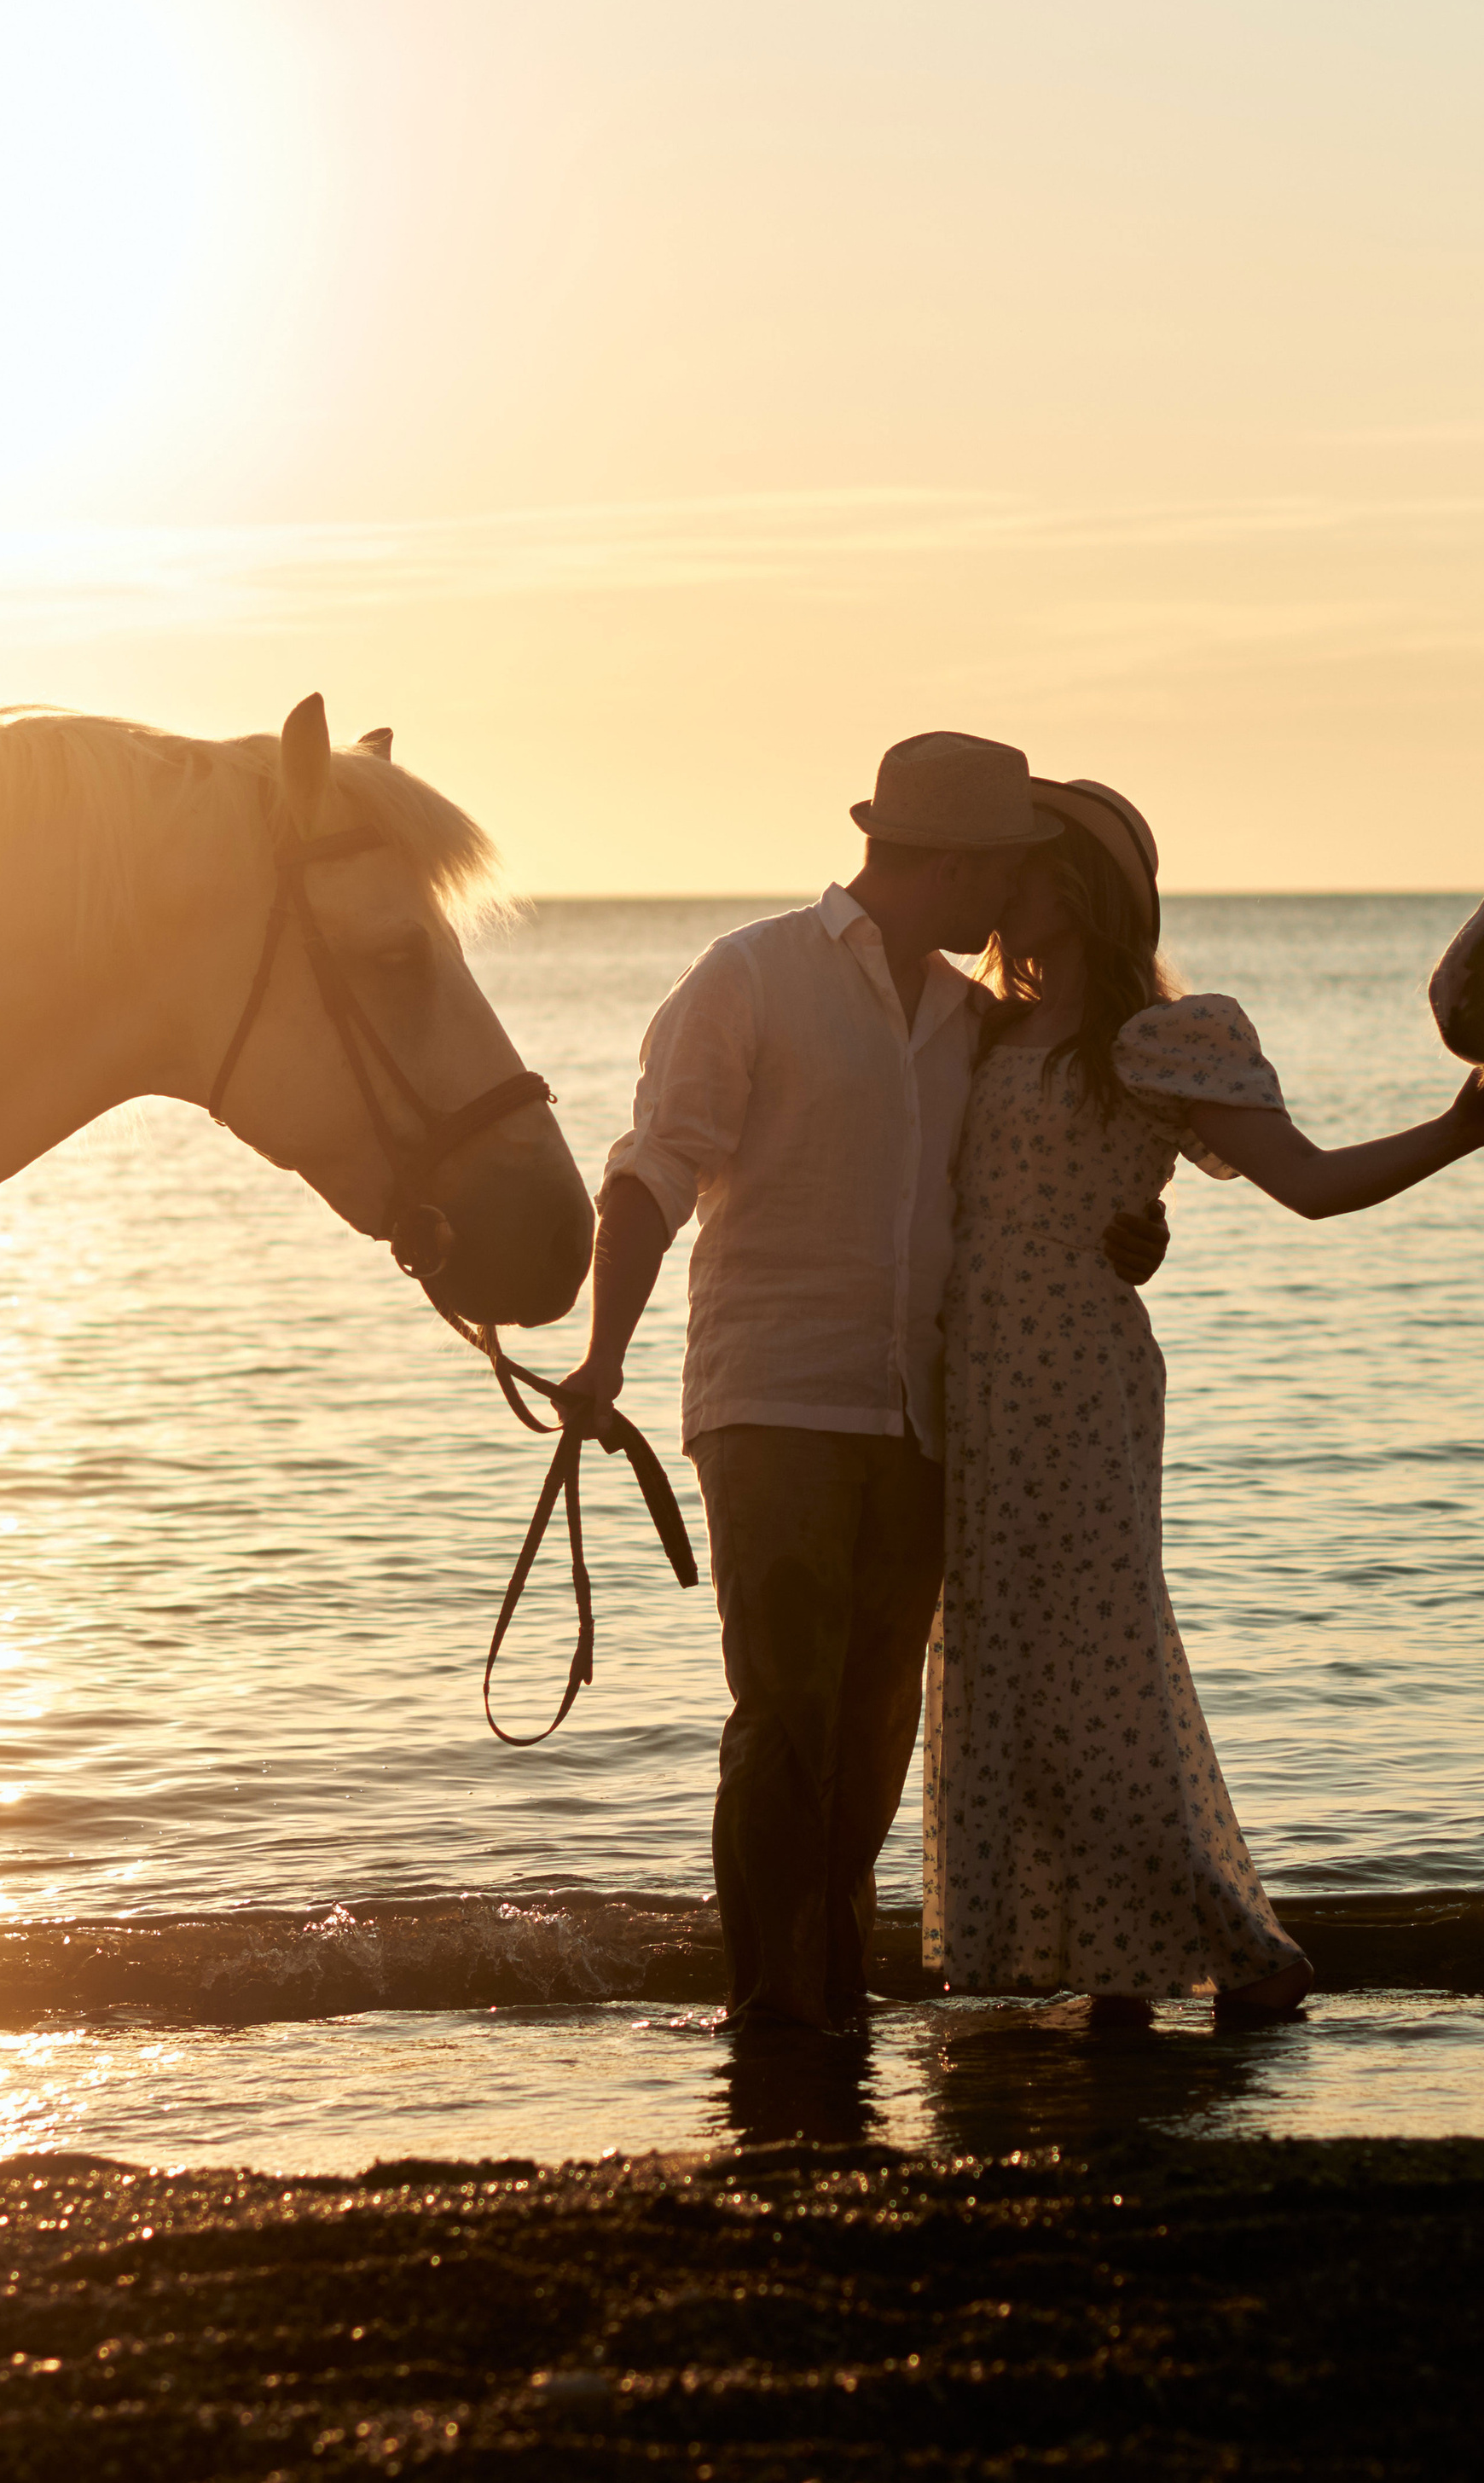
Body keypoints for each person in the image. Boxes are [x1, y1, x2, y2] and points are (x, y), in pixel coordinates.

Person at [561, 733, 1168, 2033]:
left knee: (879, 1719)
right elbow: (653, 1169)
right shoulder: (751, 977)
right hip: (775, 1396)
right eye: (999, 867)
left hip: (923, 1414)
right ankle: (771, 2001)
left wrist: (1131, 1228)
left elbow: (1036, 1176)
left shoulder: (974, 1021)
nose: (1009, 898)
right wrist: (604, 1353)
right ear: (945, 859)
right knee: (785, 1710)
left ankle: (826, 1988)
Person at [924, 778, 1484, 2021]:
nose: (1001, 894)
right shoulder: (972, 1027)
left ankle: (1245, 1953)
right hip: (967, 1387)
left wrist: (1453, 1133)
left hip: (1078, 1383)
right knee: (1005, 1679)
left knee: (1098, 1676)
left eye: (1026, 871)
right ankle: (1116, 1968)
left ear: (1087, 892)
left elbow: (1306, 1182)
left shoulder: (1158, 1039)